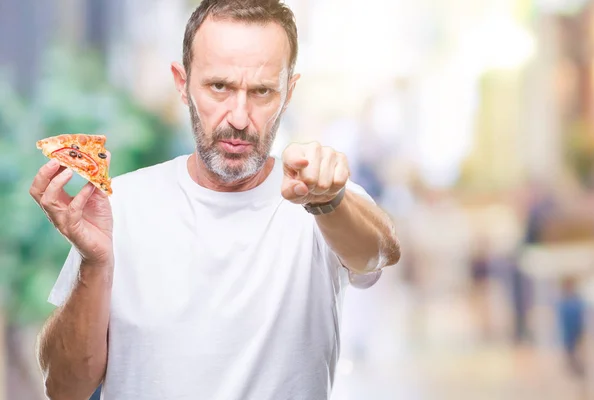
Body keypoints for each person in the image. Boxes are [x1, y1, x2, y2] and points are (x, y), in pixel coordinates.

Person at [29, 1, 401, 399]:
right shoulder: (122, 207)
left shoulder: (319, 197)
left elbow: (379, 253)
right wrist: (94, 262)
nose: (239, 118)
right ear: (182, 82)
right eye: (219, 87)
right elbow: (64, 388)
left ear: (288, 91)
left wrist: (329, 201)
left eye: (261, 91)